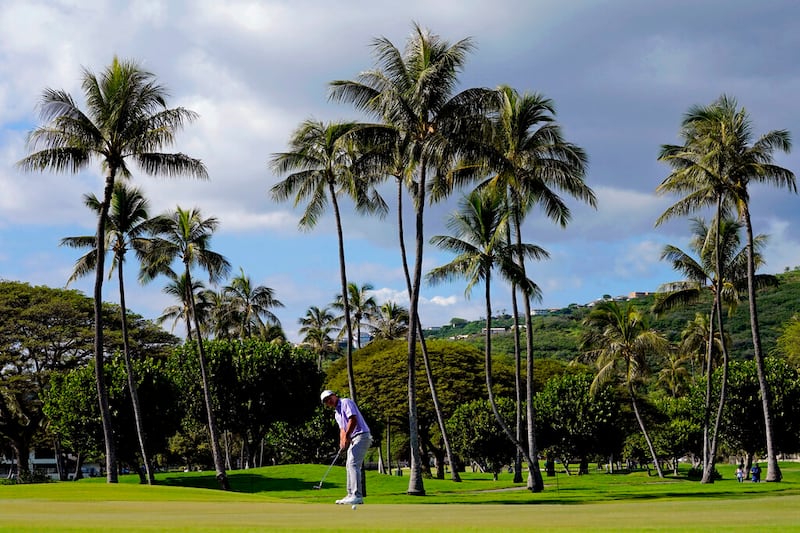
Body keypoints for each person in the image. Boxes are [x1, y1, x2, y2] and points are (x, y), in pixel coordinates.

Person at [320, 390, 372, 505]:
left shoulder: (345, 402)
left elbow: (352, 419)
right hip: (354, 438)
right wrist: (342, 441)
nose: (329, 401)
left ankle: (357, 496)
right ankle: (350, 495)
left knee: (353, 464)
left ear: (334, 395)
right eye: (326, 401)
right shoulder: (336, 414)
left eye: (329, 398)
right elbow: (342, 429)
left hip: (362, 435)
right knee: (349, 464)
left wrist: (347, 436)